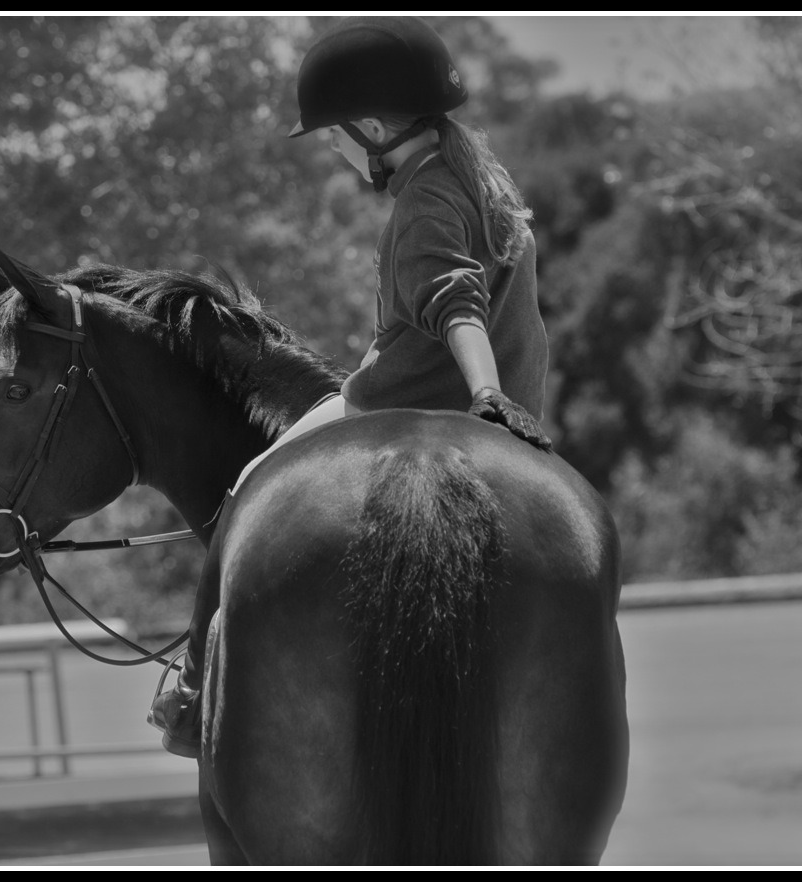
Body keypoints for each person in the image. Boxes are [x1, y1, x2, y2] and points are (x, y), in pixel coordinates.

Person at [148, 15, 551, 759]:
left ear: (370, 129)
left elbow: (454, 302)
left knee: (246, 490)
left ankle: (192, 691)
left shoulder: (425, 200)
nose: (333, 151)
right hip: (517, 431)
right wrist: (506, 407)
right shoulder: (481, 182)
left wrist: (485, 393)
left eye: (334, 136)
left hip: (391, 411)